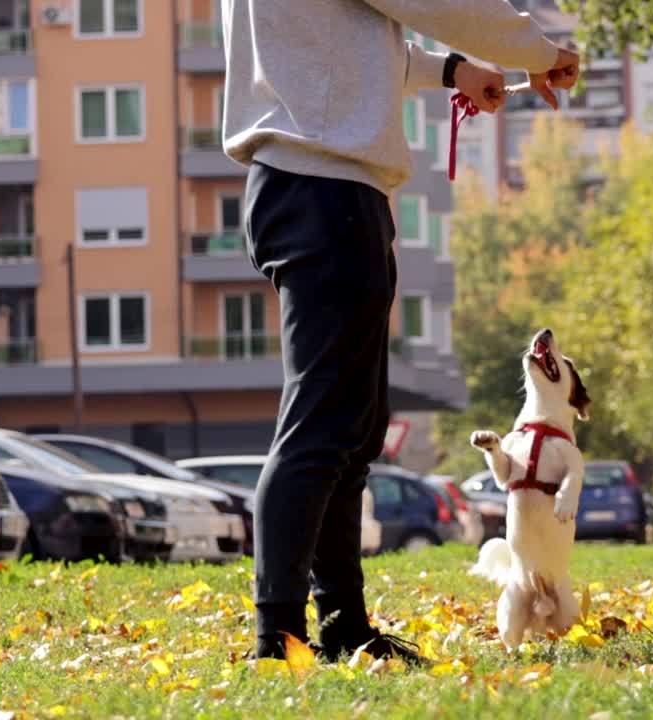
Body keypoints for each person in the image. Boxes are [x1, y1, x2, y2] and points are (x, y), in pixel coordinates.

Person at [219, 0, 579, 662]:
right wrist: (540, 51)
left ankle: (341, 628)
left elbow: (342, 51)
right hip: (327, 192)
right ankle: (280, 640)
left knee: (350, 431)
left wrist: (451, 71)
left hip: (300, 185)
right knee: (322, 429)